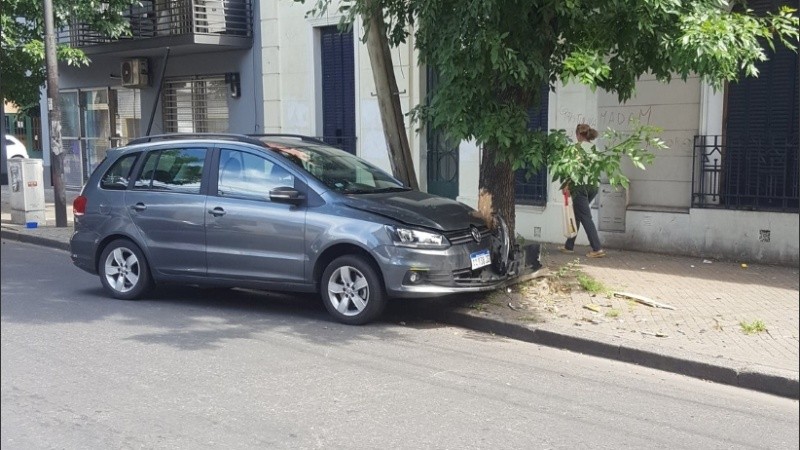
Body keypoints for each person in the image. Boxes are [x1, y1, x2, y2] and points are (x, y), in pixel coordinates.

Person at [560, 124, 606, 258]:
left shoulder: (576, 149)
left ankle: (597, 248)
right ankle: (569, 246)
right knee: (577, 215)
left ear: (578, 134)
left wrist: (566, 185)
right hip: (593, 186)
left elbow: (572, 169)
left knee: (585, 217)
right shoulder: (595, 149)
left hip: (580, 186)